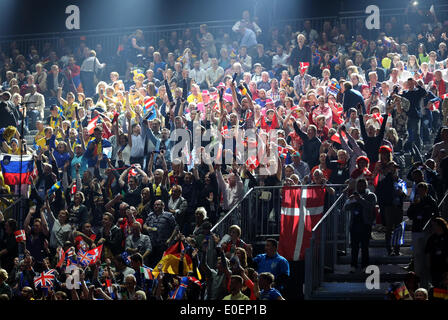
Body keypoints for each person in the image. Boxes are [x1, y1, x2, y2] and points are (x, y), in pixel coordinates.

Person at [344, 178, 377, 272]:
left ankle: (365, 265)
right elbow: (345, 208)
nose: (360, 187)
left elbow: (370, 207)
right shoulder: (353, 195)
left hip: (365, 224)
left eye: (362, 185)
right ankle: (353, 265)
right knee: (354, 247)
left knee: (364, 247)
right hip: (354, 224)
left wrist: (360, 199)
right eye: (358, 185)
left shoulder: (371, 195)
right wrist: (351, 201)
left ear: (366, 186)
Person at [424, 218, 448, 287]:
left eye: (434, 225)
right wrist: (428, 264)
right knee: (437, 285)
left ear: (440, 225)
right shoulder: (432, 238)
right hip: (435, 266)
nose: (433, 227)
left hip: (445, 265)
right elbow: (427, 252)